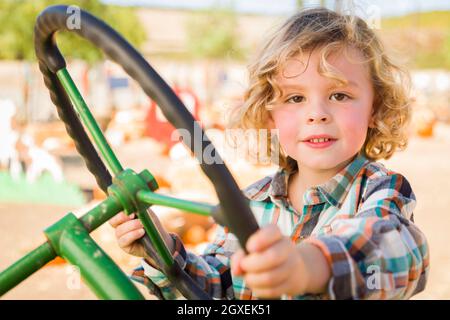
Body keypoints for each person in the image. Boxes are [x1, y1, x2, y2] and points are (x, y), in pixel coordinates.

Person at [109, 7, 429, 299]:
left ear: (375, 107)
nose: (316, 114)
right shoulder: (251, 203)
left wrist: (307, 267)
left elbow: (395, 252)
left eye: (340, 95)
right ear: (268, 114)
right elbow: (217, 286)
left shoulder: (380, 191)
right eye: (295, 99)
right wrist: (161, 249)